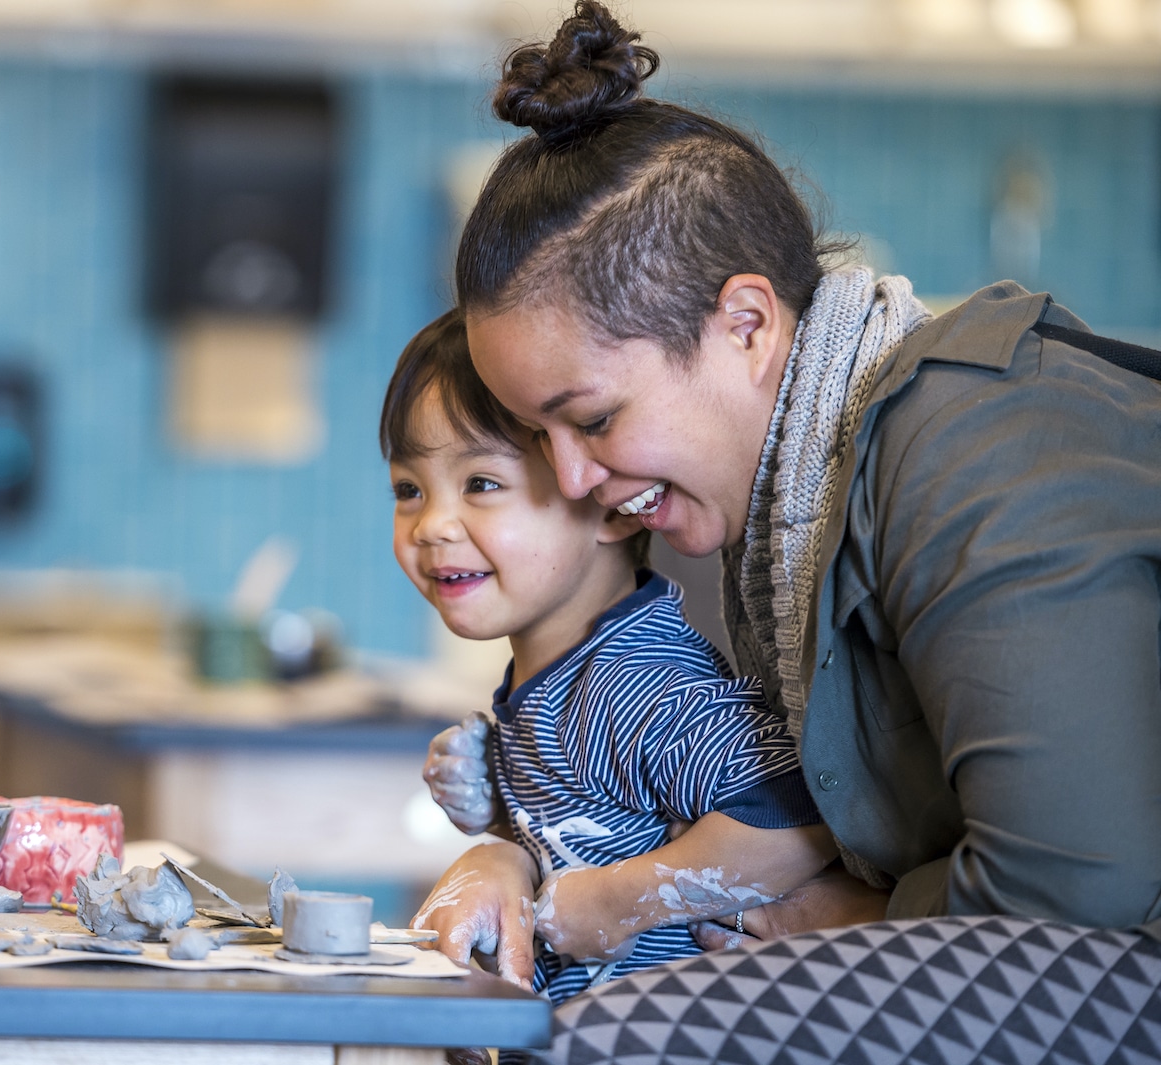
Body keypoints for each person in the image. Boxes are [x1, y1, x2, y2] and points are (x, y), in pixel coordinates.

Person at [413, 2, 1161, 1060]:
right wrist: (511, 863)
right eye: (539, 439)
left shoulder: (972, 449)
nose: (575, 479)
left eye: (590, 420)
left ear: (748, 326)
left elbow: (1071, 899)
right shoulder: (755, 525)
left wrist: (845, 923)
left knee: (597, 1042)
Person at [382, 309, 836, 1004]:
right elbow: (600, 820)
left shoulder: (632, 680)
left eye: (481, 483)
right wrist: (497, 818)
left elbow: (801, 808)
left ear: (610, 501)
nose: (432, 526)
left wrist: (621, 899)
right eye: (409, 489)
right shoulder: (558, 676)